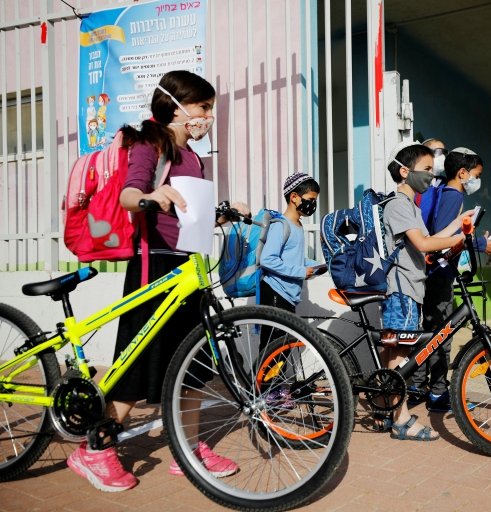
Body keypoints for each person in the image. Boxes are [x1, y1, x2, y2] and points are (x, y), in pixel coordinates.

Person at [66, 70, 247, 492]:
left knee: (195, 363)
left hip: (189, 269)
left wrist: (222, 213)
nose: (207, 117)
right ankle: (95, 449)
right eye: (203, 108)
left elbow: (189, 213)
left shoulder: (194, 158)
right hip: (155, 266)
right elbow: (131, 193)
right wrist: (153, 196)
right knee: (138, 360)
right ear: (178, 107)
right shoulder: (150, 144)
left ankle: (188, 449)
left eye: (209, 109)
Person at [378, 140, 474, 441]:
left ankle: (387, 408)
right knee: (400, 353)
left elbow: (428, 238)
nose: (432, 176)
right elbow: (423, 245)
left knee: (396, 349)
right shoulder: (398, 204)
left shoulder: (409, 205)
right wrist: (455, 242)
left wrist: (457, 224)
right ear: (405, 171)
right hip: (403, 288)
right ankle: (401, 419)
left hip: (410, 287)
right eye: (427, 170)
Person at [408, 147, 491, 412]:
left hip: (431, 274)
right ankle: (438, 393)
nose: (477, 179)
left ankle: (416, 387)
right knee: (443, 334)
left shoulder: (438, 191)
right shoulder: (452, 195)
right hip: (439, 275)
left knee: (429, 332)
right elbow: (442, 238)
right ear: (462, 173)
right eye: (476, 174)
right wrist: (481, 243)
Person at [259, 171, 322, 315]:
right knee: (274, 338)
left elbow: (293, 258)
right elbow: (267, 259)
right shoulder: (280, 225)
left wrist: (316, 266)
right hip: (276, 292)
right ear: (294, 197)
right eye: (311, 199)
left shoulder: (298, 226)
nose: (313, 204)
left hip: (288, 297)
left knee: (287, 339)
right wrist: (301, 271)